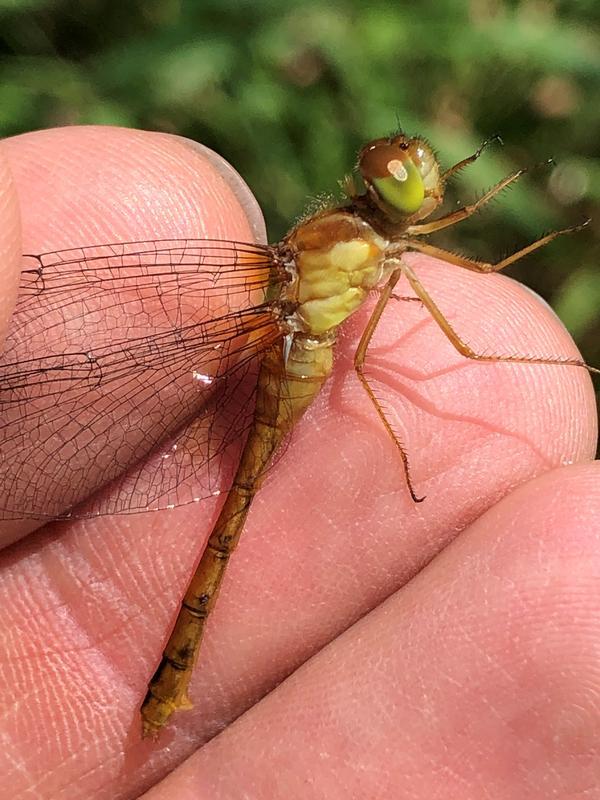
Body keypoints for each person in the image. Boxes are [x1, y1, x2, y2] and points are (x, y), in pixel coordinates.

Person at [0, 126, 598, 799]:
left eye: (429, 180)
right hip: (291, 346)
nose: (431, 191)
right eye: (415, 181)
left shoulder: (369, 240)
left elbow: (450, 282)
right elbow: (435, 327)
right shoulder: (361, 244)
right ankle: (167, 688)